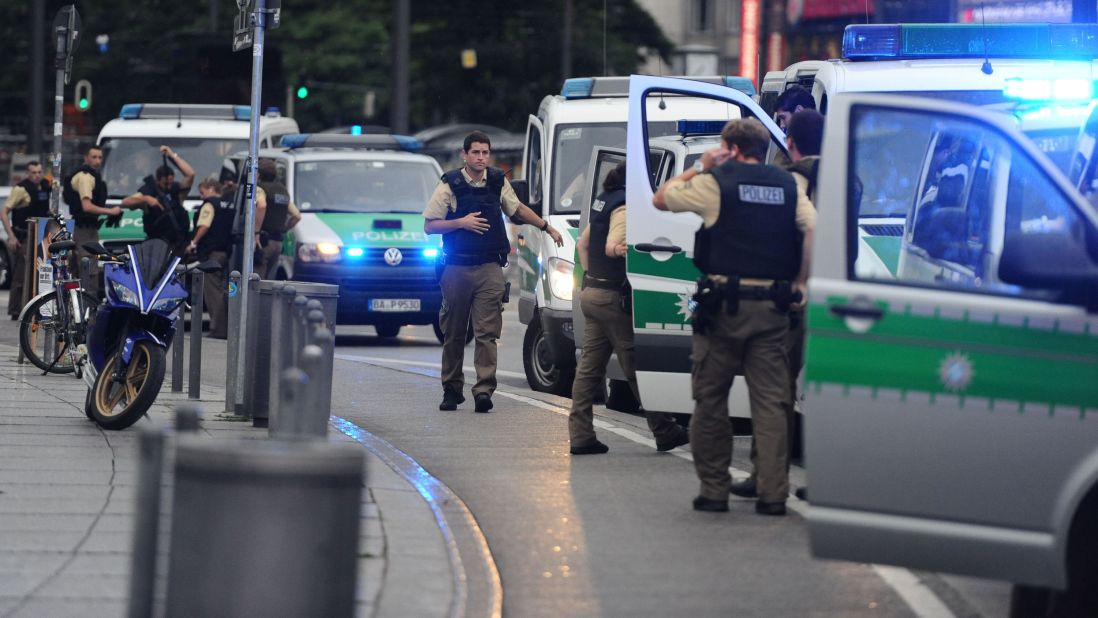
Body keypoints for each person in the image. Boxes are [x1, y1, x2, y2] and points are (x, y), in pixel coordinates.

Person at [653, 118, 815, 515]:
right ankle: (773, 493)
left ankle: (715, 490)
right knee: (773, 403)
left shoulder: (715, 182)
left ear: (730, 147)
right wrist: (800, 282)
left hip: (723, 307)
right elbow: (813, 228)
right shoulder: (789, 185)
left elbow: (661, 198)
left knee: (710, 398)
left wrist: (701, 165)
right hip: (773, 307)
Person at [424, 130, 563, 413]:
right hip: (456, 267)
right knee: (454, 332)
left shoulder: (498, 181)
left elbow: (518, 209)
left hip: (489, 267)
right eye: (475, 152)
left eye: (485, 153)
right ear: (465, 155)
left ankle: (484, 390)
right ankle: (451, 388)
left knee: (487, 333)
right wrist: (461, 223)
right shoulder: (450, 184)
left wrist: (545, 226)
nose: (481, 157)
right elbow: (429, 225)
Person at [730, 109, 824, 501]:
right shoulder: (846, 177)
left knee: (775, 390)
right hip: (838, 297)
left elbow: (798, 233)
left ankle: (767, 475)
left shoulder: (795, 180)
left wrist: (797, 282)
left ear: (790, 141)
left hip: (795, 298)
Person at [568, 161, 690, 454]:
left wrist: (589, 277)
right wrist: (620, 250)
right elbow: (612, 244)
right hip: (611, 298)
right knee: (635, 363)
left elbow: (583, 245)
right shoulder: (623, 206)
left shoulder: (603, 203)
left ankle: (581, 435)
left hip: (593, 293)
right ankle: (664, 429)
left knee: (588, 369)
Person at [63, 146, 122, 297]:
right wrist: (111, 211)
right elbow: (87, 206)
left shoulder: (89, 176)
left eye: (100, 157)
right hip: (84, 229)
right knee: (89, 269)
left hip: (84, 227)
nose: (97, 161)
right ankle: (88, 310)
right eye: (94, 157)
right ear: (86, 158)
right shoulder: (85, 177)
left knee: (77, 269)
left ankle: (76, 308)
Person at [121, 145, 195, 256]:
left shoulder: (176, 190)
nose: (169, 185)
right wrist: (146, 199)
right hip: (157, 244)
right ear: (158, 180)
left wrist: (171, 155)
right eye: (166, 183)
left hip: (178, 243)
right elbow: (125, 202)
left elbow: (190, 174)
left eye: (171, 182)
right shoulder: (149, 190)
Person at [2, 162, 51, 319]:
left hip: (41, 235)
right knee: (21, 275)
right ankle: (16, 310)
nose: (37, 175)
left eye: (39, 172)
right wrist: (11, 236)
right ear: (27, 173)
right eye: (33, 172)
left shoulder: (45, 186)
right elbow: (4, 212)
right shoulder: (21, 189)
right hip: (24, 236)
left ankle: (34, 308)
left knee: (40, 273)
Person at [188, 178, 234, 339]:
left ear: (212, 188)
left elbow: (204, 226)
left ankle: (218, 329)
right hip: (227, 253)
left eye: (202, 192)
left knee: (213, 292)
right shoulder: (228, 204)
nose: (202, 197)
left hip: (212, 253)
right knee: (223, 291)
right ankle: (225, 327)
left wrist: (193, 243)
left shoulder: (210, 205)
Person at [254, 158, 301, 279]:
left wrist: (256, 232)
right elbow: (296, 216)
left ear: (258, 174)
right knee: (269, 280)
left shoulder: (260, 188)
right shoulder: (282, 191)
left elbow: (262, 205)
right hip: (278, 242)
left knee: (256, 280)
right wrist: (283, 229)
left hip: (262, 242)